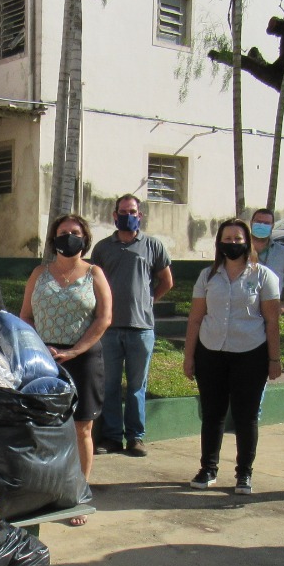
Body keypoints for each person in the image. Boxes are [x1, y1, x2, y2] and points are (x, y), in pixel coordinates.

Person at [20, 214, 113, 525]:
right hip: (43, 359)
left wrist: (75, 350)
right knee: (42, 428)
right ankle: (45, 492)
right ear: (53, 238)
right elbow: (25, 317)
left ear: (84, 239)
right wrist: (39, 346)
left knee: (80, 429)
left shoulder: (94, 273)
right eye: (63, 233)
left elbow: (104, 318)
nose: (69, 237)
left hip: (83, 359)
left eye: (75, 233)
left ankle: (77, 494)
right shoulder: (39, 273)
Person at [183, 219, 281, 495]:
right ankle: (208, 468)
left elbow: (272, 322)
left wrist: (274, 359)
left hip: (250, 354)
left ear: (247, 242)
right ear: (219, 243)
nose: (233, 244)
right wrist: (189, 357)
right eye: (227, 238)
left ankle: (244, 473)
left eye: (238, 239)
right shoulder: (208, 276)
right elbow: (195, 319)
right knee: (212, 414)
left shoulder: (263, 276)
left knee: (245, 416)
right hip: (211, 352)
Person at [91, 194, 173, 457]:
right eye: (124, 211)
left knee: (137, 386)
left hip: (141, 329)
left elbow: (166, 281)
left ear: (140, 215)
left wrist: (150, 300)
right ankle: (113, 437)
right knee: (111, 385)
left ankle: (136, 438)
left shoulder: (153, 246)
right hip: (110, 329)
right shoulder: (103, 248)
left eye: (133, 211)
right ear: (114, 216)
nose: (129, 215)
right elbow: (94, 284)